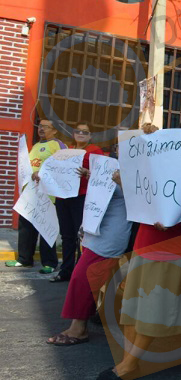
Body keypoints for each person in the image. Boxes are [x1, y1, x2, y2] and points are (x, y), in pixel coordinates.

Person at [96, 117, 181, 380]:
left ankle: (129, 364)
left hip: (170, 246)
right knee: (133, 307)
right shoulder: (160, 162)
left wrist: (174, 216)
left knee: (151, 310)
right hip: (144, 242)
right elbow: (144, 197)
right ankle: (127, 362)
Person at [47, 152, 133, 346]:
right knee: (93, 278)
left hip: (111, 234)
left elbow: (142, 201)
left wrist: (123, 183)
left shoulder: (137, 173)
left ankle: (79, 328)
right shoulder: (112, 167)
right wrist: (92, 176)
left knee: (83, 276)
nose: (121, 150)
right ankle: (81, 324)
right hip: (95, 230)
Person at [6, 119, 67, 273]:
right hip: (30, 194)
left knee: (46, 227)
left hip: (48, 196)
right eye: (40, 126)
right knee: (26, 228)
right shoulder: (36, 146)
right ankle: (24, 259)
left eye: (46, 126)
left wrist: (43, 175)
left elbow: (64, 168)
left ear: (54, 131)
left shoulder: (58, 145)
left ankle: (50, 263)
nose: (41, 129)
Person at [51, 121, 104, 283]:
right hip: (63, 198)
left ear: (90, 136)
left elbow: (104, 175)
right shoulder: (67, 151)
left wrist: (88, 173)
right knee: (66, 236)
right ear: (73, 134)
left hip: (82, 198)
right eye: (78, 131)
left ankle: (81, 273)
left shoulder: (96, 151)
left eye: (85, 132)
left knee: (82, 236)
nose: (80, 134)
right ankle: (66, 271)